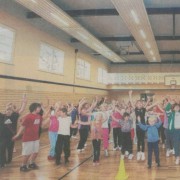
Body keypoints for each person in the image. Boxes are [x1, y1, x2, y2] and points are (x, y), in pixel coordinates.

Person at [12, 103, 42, 172]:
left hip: (36, 138)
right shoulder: (28, 117)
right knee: (27, 154)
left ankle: (31, 163)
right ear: (34, 108)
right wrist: (17, 135)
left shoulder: (39, 116)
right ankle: (23, 165)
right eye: (39, 107)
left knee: (35, 152)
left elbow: (41, 125)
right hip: (28, 139)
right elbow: (22, 126)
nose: (40, 108)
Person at [0, 94, 27, 168]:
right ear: (5, 110)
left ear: (12, 111)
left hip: (11, 137)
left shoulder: (14, 116)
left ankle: (8, 160)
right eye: (7, 109)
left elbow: (21, 109)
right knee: (1, 150)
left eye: (10, 109)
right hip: (2, 137)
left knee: (10, 149)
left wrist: (24, 102)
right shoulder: (2, 116)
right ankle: (2, 163)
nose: (8, 111)